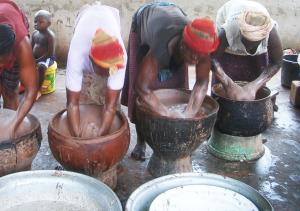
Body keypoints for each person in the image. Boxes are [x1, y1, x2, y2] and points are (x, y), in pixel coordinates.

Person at [121, 2, 219, 160]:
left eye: (200, 56)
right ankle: (141, 142)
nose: (195, 59)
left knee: (178, 89)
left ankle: (174, 140)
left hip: (172, 11)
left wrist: (188, 115)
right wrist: (168, 113)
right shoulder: (160, 46)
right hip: (144, 20)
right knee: (143, 93)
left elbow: (201, 83)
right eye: (192, 53)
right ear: (182, 44)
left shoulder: (202, 48)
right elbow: (142, 88)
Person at [66, 2, 127, 138]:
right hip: (85, 16)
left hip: (109, 16)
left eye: (113, 69)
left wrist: (101, 136)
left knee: (112, 102)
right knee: (83, 96)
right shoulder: (77, 54)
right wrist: (79, 138)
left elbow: (110, 106)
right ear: (91, 60)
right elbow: (72, 104)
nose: (111, 73)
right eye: (106, 70)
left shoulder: (120, 56)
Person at [212, 0, 282, 100]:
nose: (248, 48)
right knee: (223, 86)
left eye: (253, 43)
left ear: (263, 38)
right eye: (245, 40)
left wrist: (254, 85)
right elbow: (212, 58)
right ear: (241, 31)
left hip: (255, 23)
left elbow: (277, 62)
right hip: (231, 20)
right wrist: (228, 83)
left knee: (257, 75)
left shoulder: (270, 32)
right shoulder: (229, 29)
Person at [0, 0, 38, 139]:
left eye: (1, 64)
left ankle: (11, 137)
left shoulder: (21, 46)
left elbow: (31, 90)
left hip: (14, 21)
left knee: (10, 93)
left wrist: (13, 126)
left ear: (11, 54)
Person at [31, 10, 55, 97]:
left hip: (47, 58)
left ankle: (38, 90)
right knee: (22, 63)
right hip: (36, 58)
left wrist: (37, 61)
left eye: (41, 22)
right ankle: (26, 85)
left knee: (41, 67)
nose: (37, 24)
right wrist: (30, 59)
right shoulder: (34, 34)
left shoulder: (50, 36)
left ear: (48, 24)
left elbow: (50, 53)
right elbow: (31, 47)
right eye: (35, 21)